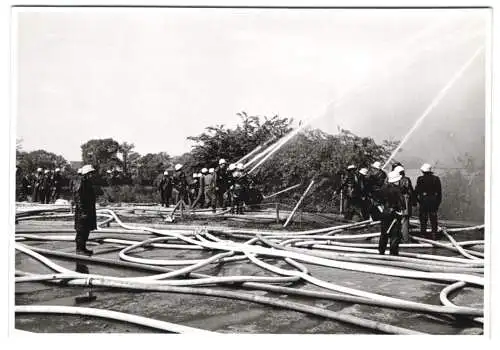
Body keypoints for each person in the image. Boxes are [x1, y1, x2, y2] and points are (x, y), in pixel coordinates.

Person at [378, 170, 405, 256]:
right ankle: (393, 254)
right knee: (395, 234)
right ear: (396, 180)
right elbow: (402, 204)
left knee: (384, 233)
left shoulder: (383, 188)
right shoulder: (397, 190)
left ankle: (381, 251)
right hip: (394, 214)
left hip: (385, 212)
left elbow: (378, 200)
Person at [73, 164, 97, 256]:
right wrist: (83, 212)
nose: (92, 175)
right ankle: (79, 249)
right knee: (81, 230)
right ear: (86, 174)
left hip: (88, 210)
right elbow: (78, 198)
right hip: (82, 211)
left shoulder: (87, 182)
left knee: (86, 230)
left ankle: (83, 248)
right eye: (91, 173)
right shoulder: (81, 182)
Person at [414, 163, 442, 240]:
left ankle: (423, 234)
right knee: (433, 218)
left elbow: (417, 191)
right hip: (433, 200)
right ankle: (434, 234)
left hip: (424, 200)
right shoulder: (436, 179)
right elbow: (439, 192)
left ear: (423, 171)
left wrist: (417, 201)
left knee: (423, 218)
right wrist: (438, 202)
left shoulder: (420, 179)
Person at [394, 165, 415, 243]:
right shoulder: (406, 180)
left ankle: (400, 238)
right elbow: (411, 191)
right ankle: (405, 238)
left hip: (398, 201)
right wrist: (414, 201)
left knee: (398, 219)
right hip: (405, 200)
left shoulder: (395, 181)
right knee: (405, 220)